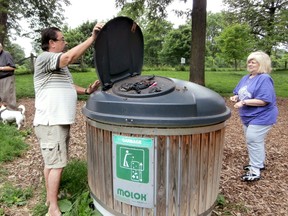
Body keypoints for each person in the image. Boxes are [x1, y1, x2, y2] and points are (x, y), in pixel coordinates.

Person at [33, 23, 103, 216]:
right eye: (62, 39)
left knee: (51, 163)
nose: (65, 42)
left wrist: (87, 91)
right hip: (50, 121)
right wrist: (93, 38)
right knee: (57, 164)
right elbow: (69, 57)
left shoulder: (59, 67)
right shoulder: (45, 58)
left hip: (58, 120)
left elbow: (68, 85)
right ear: (51, 43)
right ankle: (53, 209)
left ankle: (50, 198)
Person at [230, 51, 278, 182]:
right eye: (249, 61)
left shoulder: (264, 78)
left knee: (253, 140)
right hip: (248, 115)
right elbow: (240, 93)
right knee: (254, 141)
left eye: (253, 62)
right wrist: (236, 97)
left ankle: (254, 171)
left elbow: (264, 100)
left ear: (261, 64)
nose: (250, 64)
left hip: (262, 115)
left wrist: (244, 102)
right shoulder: (246, 78)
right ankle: (259, 164)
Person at [0, 42, 17, 107]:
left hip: (6, 78)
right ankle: (3, 113)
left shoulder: (6, 54)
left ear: (1, 48)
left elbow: (12, 67)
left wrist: (1, 68)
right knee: (1, 97)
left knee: (8, 96)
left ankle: (12, 111)